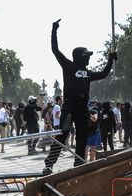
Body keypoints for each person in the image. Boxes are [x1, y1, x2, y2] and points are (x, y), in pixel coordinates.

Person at [43, 19, 117, 175]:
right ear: (79, 57)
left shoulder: (88, 73)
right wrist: (54, 30)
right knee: (63, 134)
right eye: (86, 55)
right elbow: (55, 50)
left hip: (83, 108)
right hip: (69, 106)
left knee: (82, 137)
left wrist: (111, 59)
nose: (89, 58)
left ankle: (79, 164)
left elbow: (103, 74)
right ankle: (49, 164)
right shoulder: (69, 65)